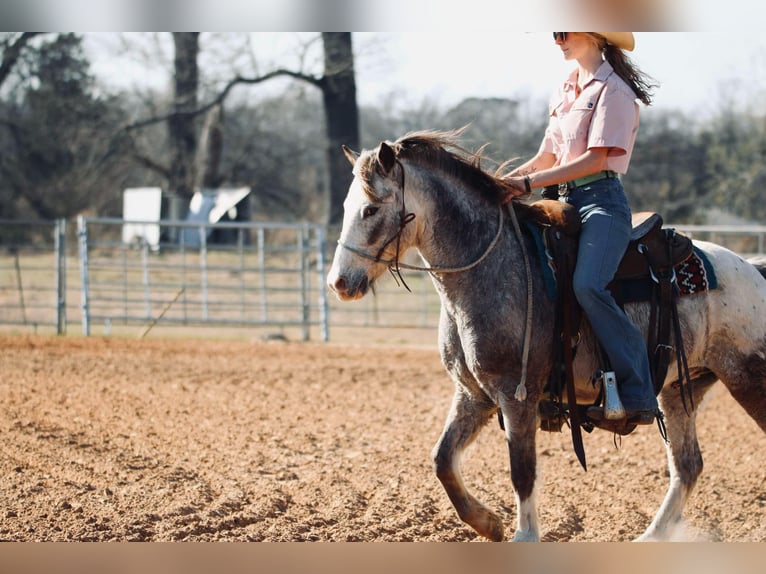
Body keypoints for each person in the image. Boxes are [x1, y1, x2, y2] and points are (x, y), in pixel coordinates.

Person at [503, 32, 659, 425]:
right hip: (563, 202)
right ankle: (553, 380)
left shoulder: (615, 90)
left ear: (592, 34)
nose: (557, 41)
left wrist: (526, 186)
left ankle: (638, 389)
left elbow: (595, 159)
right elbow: (546, 155)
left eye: (564, 32)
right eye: (554, 33)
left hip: (602, 203)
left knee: (589, 285)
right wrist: (501, 181)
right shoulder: (565, 88)